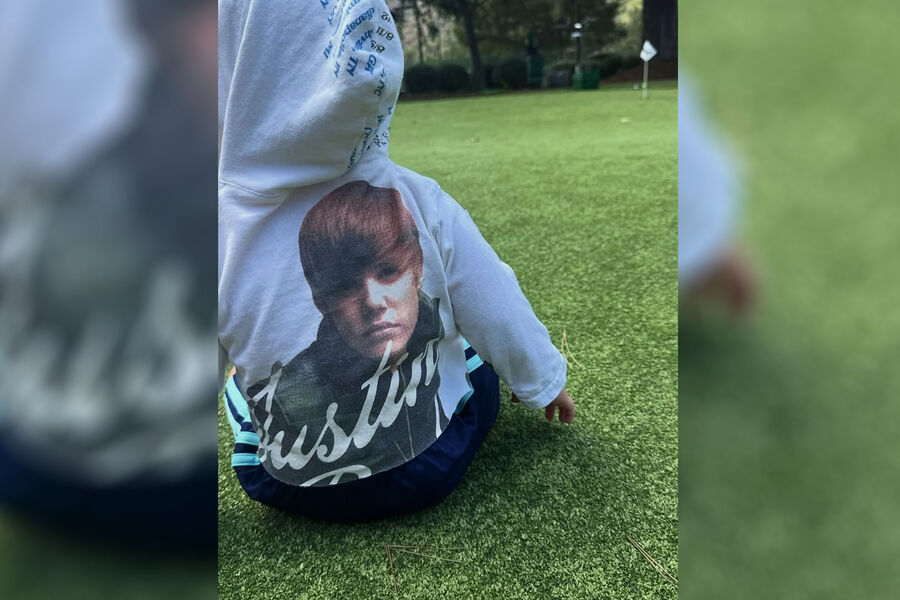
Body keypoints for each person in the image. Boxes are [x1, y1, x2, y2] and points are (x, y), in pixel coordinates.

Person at [218, 0, 574, 521]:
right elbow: (494, 301)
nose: (372, 302)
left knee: (243, 392)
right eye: (343, 287)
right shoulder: (416, 198)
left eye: (387, 271)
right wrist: (541, 380)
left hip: (295, 487)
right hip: (433, 460)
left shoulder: (217, 232)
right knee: (474, 357)